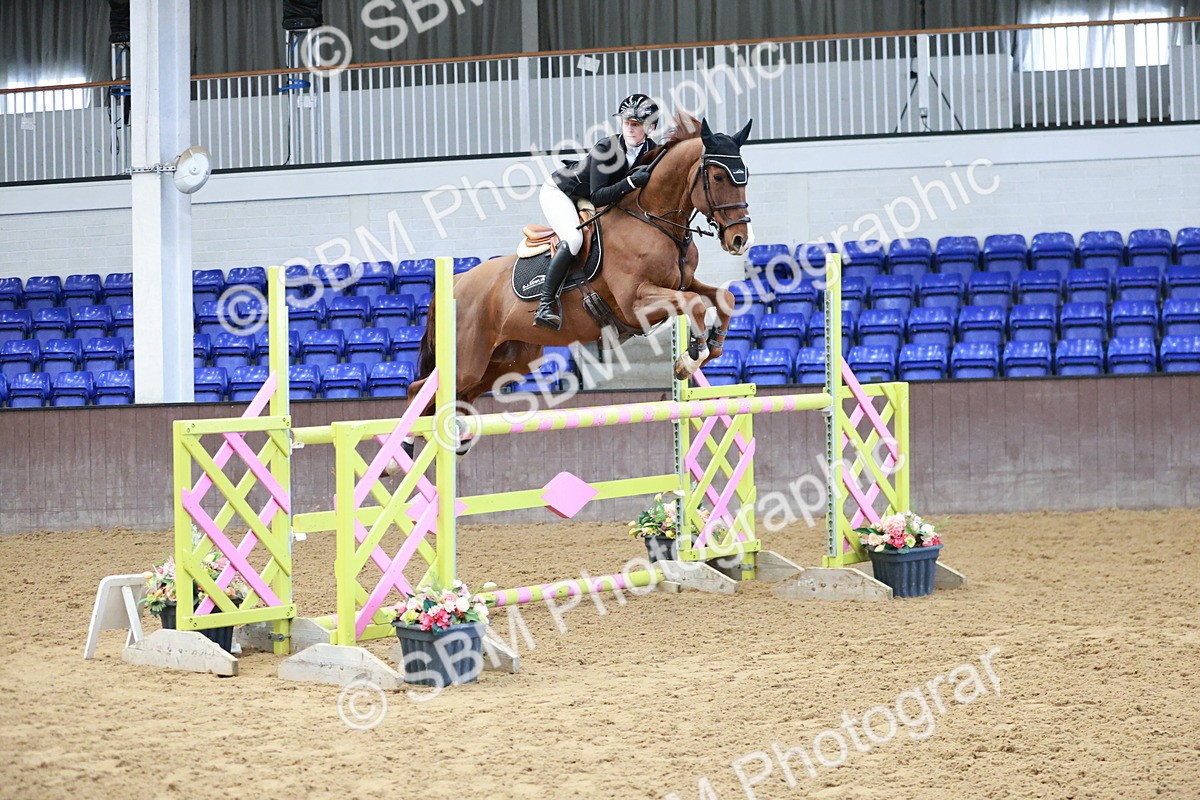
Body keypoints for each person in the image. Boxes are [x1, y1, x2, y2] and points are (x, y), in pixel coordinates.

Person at [533, 93, 661, 330]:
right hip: (561, 193)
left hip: (590, 196)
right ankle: (545, 304)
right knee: (573, 238)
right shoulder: (607, 147)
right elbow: (599, 196)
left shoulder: (652, 151)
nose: (630, 129)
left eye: (637, 124)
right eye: (627, 123)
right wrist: (631, 183)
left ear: (651, 127)